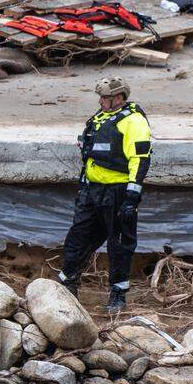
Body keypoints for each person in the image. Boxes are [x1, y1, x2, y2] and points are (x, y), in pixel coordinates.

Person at [56, 76, 152, 314]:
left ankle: (117, 294)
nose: (100, 101)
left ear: (118, 98)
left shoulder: (133, 122)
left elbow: (140, 159)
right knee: (78, 237)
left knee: (119, 245)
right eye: (100, 97)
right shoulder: (99, 119)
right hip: (92, 191)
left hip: (118, 193)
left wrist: (132, 195)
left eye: (105, 98)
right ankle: (68, 283)